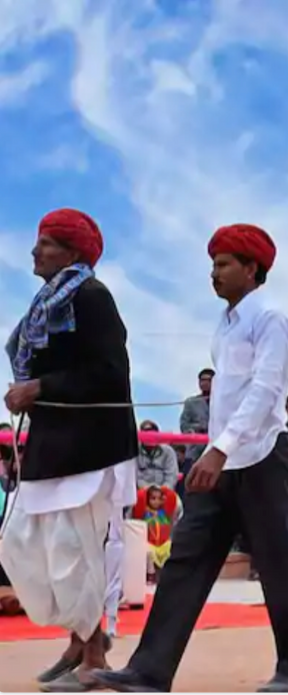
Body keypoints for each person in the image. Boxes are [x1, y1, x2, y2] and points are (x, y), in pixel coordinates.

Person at [95, 223, 288, 693]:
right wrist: (214, 452)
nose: (212, 274)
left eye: (222, 264)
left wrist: (219, 449)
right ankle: (150, 671)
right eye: (212, 264)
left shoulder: (273, 316)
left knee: (275, 562)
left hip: (257, 457)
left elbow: (265, 391)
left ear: (251, 268)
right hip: (220, 463)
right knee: (185, 561)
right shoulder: (227, 323)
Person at [0, 208, 138, 690]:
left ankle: (93, 655)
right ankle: (81, 639)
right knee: (23, 546)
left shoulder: (93, 298)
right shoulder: (46, 304)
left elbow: (109, 374)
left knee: (75, 551)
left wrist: (39, 388)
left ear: (74, 253)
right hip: (53, 443)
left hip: (91, 447)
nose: (35, 251)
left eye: (47, 243)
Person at [179, 368, 214, 487]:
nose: (204, 383)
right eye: (202, 380)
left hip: (216, 445)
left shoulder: (224, 401)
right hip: (195, 448)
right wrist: (196, 430)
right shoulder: (191, 402)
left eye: (208, 380)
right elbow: (184, 425)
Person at [134, 420, 179, 489]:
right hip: (141, 491)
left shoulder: (168, 451)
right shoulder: (134, 452)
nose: (150, 437)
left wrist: (163, 490)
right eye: (146, 434)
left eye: (152, 433)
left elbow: (172, 475)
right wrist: (148, 490)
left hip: (164, 491)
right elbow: (134, 476)